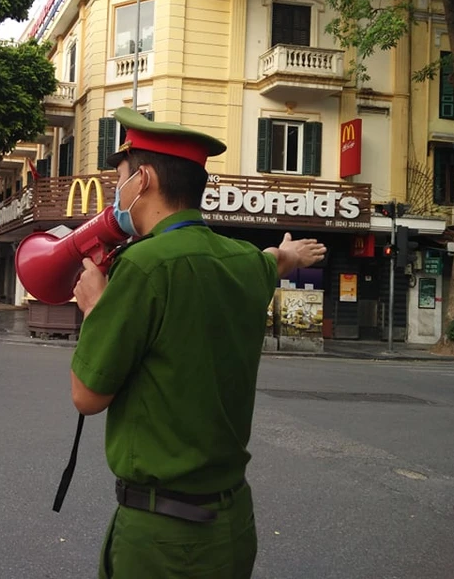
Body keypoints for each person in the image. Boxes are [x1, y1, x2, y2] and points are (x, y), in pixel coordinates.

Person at [67, 107, 327, 579]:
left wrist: (94, 307)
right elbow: (273, 259)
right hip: (232, 527)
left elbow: (87, 397)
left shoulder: (144, 266)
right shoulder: (244, 261)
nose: (114, 193)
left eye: (119, 179)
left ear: (142, 180)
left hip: (161, 539)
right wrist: (288, 254)